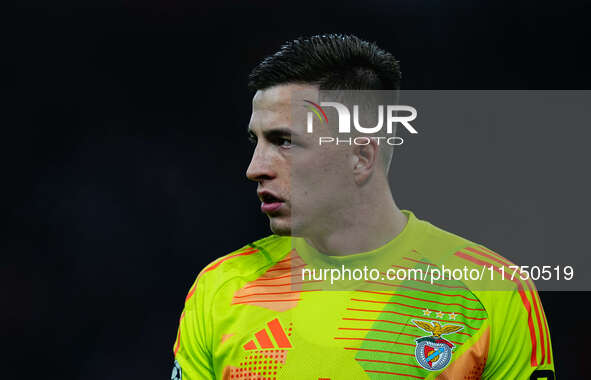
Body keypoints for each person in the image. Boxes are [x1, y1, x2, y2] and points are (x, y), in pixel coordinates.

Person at [171, 34, 555, 379]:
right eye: (256, 141)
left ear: (360, 156)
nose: (255, 169)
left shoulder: (493, 292)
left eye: (284, 141)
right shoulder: (220, 290)